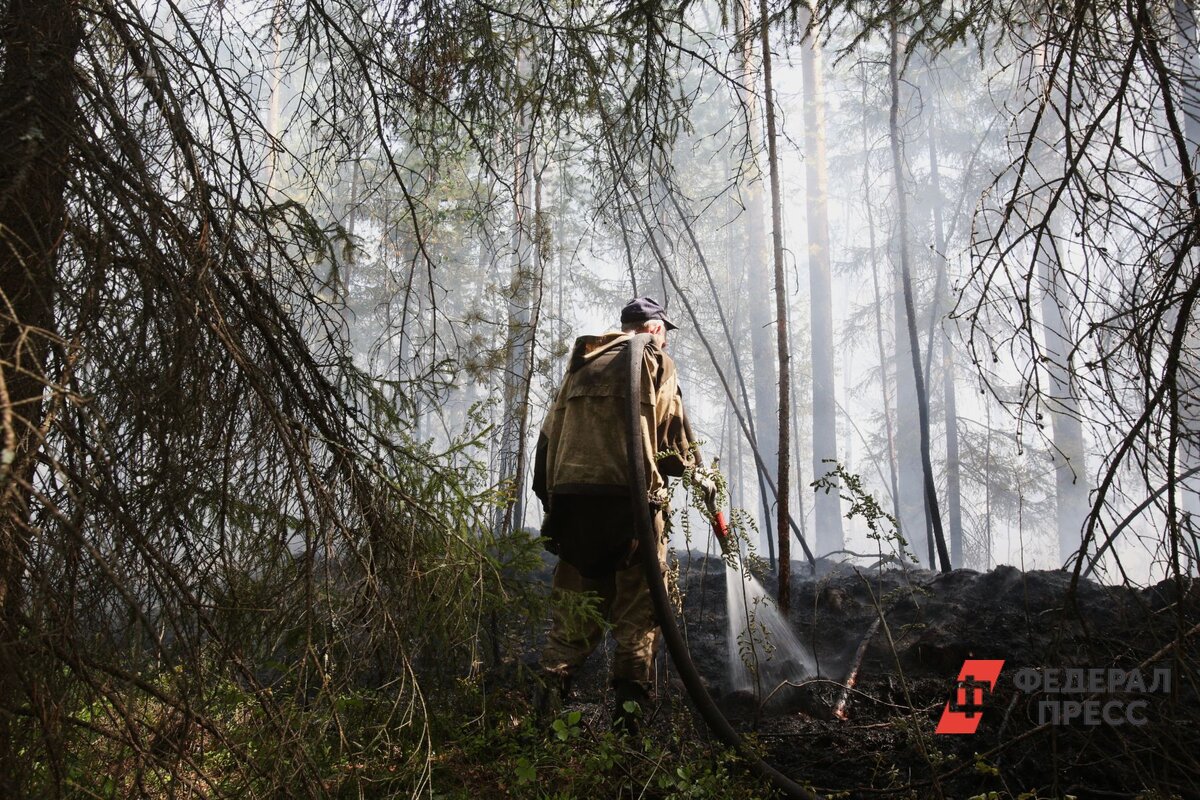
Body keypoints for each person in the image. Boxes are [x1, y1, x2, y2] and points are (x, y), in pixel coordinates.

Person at [531, 296, 704, 734]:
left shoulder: (584, 361)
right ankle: (629, 737)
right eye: (664, 332)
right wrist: (699, 475)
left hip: (573, 508)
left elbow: (547, 440)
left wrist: (558, 510)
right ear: (655, 329)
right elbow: (674, 450)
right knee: (637, 619)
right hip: (632, 514)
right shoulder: (655, 362)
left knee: (573, 618)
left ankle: (543, 724)